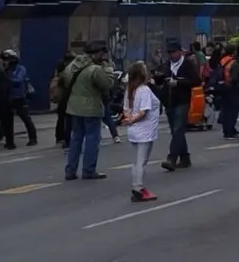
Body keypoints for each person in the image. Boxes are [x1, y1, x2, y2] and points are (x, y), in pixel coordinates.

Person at [59, 40, 116, 180]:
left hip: (74, 107)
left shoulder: (74, 64)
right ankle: (88, 170)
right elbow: (107, 84)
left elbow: (64, 79)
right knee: (92, 139)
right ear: (98, 54)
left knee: (76, 139)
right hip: (91, 108)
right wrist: (107, 67)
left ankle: (70, 171)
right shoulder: (95, 70)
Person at [159, 40, 201, 171]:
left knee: (178, 129)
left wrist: (179, 83)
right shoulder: (167, 65)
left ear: (180, 51)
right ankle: (185, 158)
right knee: (176, 131)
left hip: (182, 101)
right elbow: (162, 79)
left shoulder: (187, 64)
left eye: (174, 52)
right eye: (169, 52)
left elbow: (196, 81)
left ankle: (171, 158)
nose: (172, 55)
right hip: (169, 101)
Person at [121, 61, 160, 202]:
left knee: (136, 161)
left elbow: (126, 109)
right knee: (141, 161)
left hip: (135, 131)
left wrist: (129, 118)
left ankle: (137, 186)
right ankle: (138, 188)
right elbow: (144, 111)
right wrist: (132, 120)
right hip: (145, 130)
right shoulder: (144, 90)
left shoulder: (130, 89)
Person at [0, 50, 38, 148]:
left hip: (19, 97)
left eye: (7, 60)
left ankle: (33, 138)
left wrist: (7, 74)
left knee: (25, 118)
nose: (4, 62)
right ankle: (9, 141)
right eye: (4, 60)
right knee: (7, 120)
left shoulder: (20, 69)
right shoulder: (5, 70)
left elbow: (18, 80)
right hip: (8, 98)